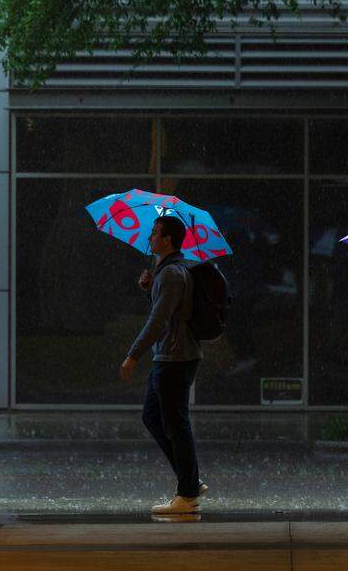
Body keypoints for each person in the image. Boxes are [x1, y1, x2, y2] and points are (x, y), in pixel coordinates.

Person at [120, 215, 208, 514]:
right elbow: (168, 311)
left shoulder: (171, 274)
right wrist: (149, 288)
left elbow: (159, 321)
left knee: (175, 424)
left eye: (155, 233)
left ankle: (187, 493)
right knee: (153, 417)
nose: (150, 238)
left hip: (174, 358)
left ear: (168, 239)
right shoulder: (169, 272)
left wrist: (133, 355)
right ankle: (190, 481)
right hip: (171, 356)